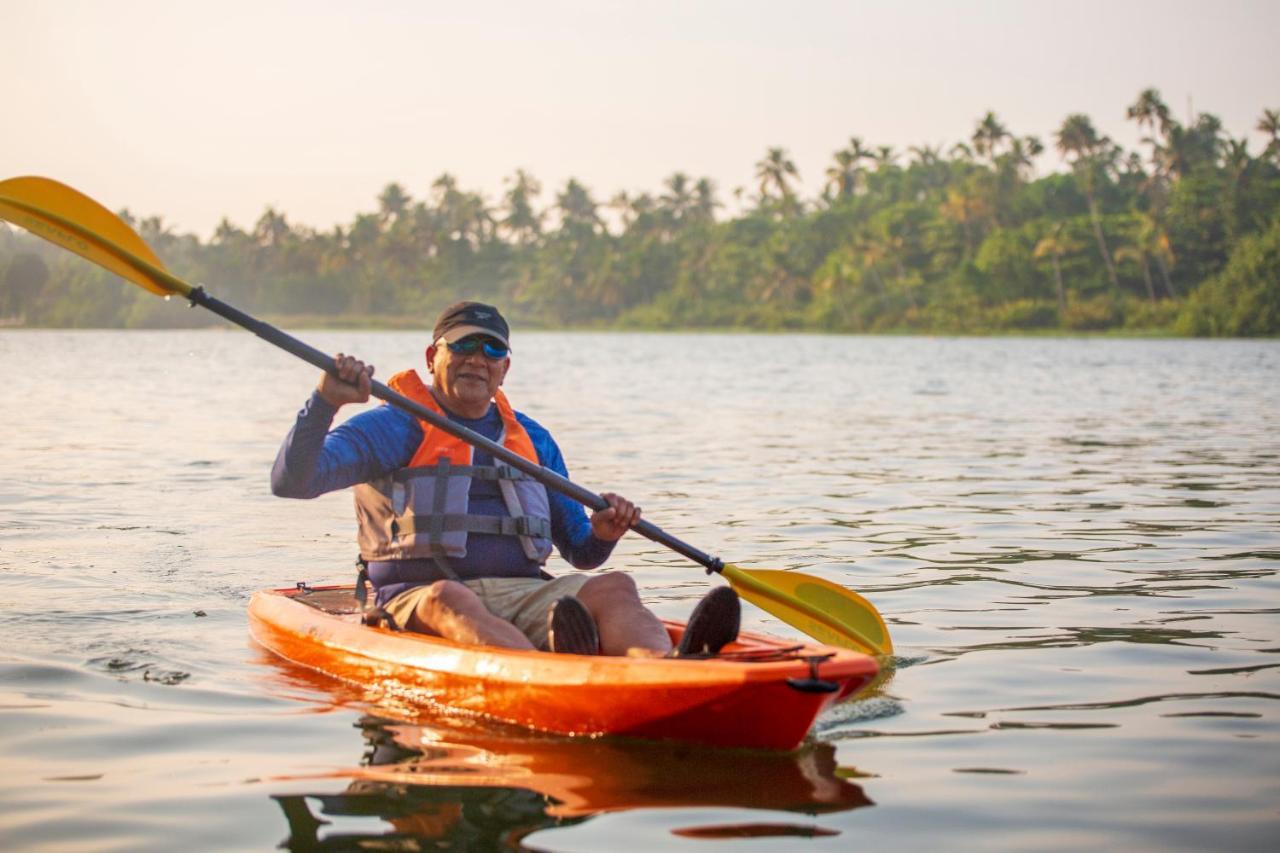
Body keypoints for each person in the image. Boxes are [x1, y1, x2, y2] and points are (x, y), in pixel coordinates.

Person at [272, 301, 739, 657]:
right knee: (449, 598)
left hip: (524, 593)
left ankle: (662, 668)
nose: (479, 358)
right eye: (464, 346)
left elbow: (580, 552)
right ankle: (549, 672)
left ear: (505, 367)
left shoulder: (532, 438)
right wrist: (326, 401)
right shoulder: (393, 425)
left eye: (493, 349)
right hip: (418, 600)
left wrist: (602, 533)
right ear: (433, 355)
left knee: (616, 586)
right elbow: (292, 482)